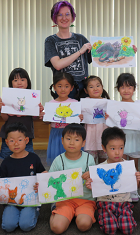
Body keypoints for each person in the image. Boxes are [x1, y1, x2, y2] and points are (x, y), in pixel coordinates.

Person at [86, 126, 140, 235]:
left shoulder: (128, 167)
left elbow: (135, 187)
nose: (117, 153)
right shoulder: (99, 168)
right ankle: (105, 216)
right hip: (105, 204)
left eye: (121, 148)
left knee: (127, 230)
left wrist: (138, 180)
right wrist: (91, 185)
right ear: (104, 148)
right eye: (113, 148)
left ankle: (124, 216)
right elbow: (96, 188)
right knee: (110, 230)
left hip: (124, 203)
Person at [46, 123, 96, 234]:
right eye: (68, 139)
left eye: (77, 140)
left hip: (85, 200)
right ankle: (56, 211)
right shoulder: (58, 160)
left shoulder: (89, 159)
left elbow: (95, 182)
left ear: (83, 143)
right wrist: (44, 178)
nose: (72, 143)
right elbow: (49, 181)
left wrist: (91, 176)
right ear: (62, 140)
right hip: (64, 200)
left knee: (84, 225)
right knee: (57, 228)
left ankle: (74, 214)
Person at [1, 122, 46, 232]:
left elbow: (42, 172)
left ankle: (35, 210)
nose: (16, 143)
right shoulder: (6, 162)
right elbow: (2, 182)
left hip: (30, 201)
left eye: (20, 140)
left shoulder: (34, 158)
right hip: (11, 203)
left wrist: (43, 179)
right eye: (11, 141)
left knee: (26, 226)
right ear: (6, 142)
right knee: (8, 227)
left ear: (26, 140)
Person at [44, 1, 92, 99]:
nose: (64, 18)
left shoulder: (81, 38)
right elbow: (57, 65)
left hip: (84, 89)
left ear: (72, 17)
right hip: (63, 90)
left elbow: (101, 57)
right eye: (60, 15)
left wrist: (128, 52)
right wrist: (79, 52)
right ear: (55, 18)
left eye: (67, 14)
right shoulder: (50, 40)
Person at [0, 67, 44, 159]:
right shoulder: (7, 97)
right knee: (7, 159)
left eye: (22, 80)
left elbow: (34, 118)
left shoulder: (32, 96)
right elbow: (5, 118)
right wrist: (1, 109)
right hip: (9, 135)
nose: (19, 83)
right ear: (11, 83)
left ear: (27, 82)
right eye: (15, 80)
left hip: (26, 135)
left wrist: (38, 111)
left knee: (27, 160)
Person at [46, 72, 82, 166]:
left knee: (72, 158)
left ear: (71, 88)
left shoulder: (75, 103)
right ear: (54, 87)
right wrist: (44, 117)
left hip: (71, 133)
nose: (63, 89)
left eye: (66, 86)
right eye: (59, 86)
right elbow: (47, 121)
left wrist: (80, 118)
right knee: (57, 160)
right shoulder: (50, 104)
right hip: (56, 134)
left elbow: (78, 120)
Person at [115, 72, 140, 201]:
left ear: (134, 89)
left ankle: (133, 190)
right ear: (118, 89)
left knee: (134, 166)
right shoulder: (114, 107)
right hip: (120, 142)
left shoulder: (138, 105)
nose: (126, 90)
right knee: (122, 165)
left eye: (129, 87)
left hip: (135, 139)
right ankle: (123, 190)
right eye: (123, 87)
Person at [83, 75, 110, 163]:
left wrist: (109, 117)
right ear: (86, 91)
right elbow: (79, 117)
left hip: (104, 136)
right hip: (90, 138)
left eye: (98, 86)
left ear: (102, 88)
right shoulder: (84, 102)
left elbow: (113, 120)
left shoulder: (108, 103)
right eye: (91, 87)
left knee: (103, 163)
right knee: (90, 162)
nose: (95, 89)